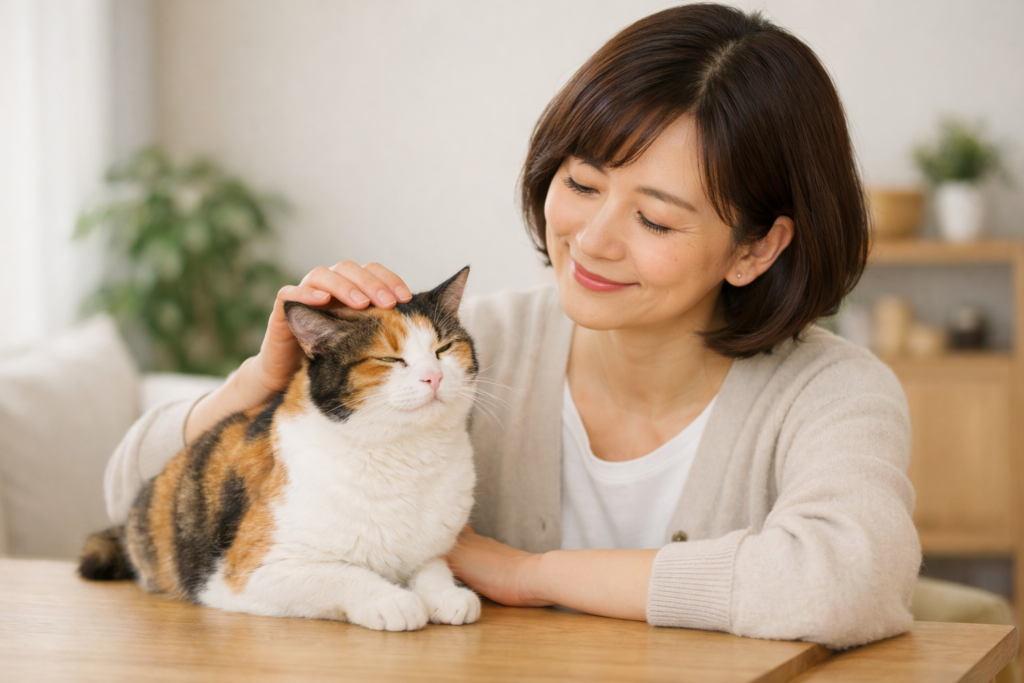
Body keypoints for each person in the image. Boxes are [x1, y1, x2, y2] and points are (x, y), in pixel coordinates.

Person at [104, 4, 919, 648]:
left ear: (756, 248)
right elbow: (128, 490)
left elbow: (848, 583)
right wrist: (264, 379)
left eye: (657, 222)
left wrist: (531, 573)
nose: (593, 240)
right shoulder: (455, 358)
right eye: (583, 182)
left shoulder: (831, 392)